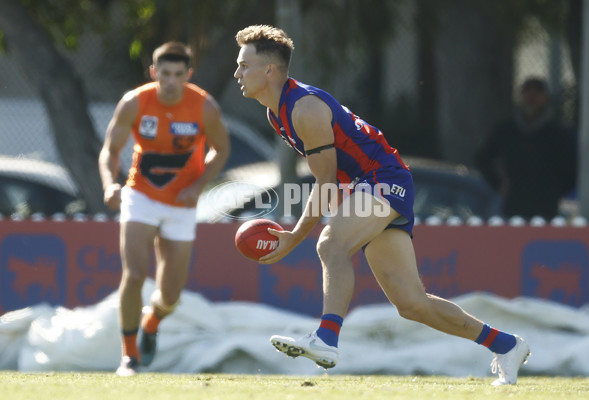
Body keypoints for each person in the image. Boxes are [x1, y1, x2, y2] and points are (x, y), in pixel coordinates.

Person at [234, 25, 530, 385]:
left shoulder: (304, 109)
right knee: (412, 304)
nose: (237, 73)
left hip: (383, 180)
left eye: (243, 65)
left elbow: (325, 183)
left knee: (331, 243)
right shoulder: (275, 113)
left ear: (269, 70)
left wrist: (294, 238)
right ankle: (507, 345)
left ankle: (326, 339)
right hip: (371, 184)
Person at [98, 41, 230, 376]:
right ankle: (129, 357)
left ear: (188, 74)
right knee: (135, 274)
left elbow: (222, 150)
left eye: (178, 74)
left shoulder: (204, 107)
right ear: (154, 73)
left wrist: (197, 186)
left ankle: (153, 322)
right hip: (140, 196)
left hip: (181, 205)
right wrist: (109, 184)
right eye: (164, 74)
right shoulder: (135, 102)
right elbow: (110, 150)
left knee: (170, 295)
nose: (170, 81)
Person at [475, 77, 577, 220]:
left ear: (546, 98)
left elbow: (573, 170)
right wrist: (498, 184)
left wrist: (554, 190)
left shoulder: (559, 135)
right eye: (527, 92)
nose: (532, 98)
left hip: (546, 209)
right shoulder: (506, 131)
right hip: (512, 206)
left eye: (537, 93)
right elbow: (482, 158)